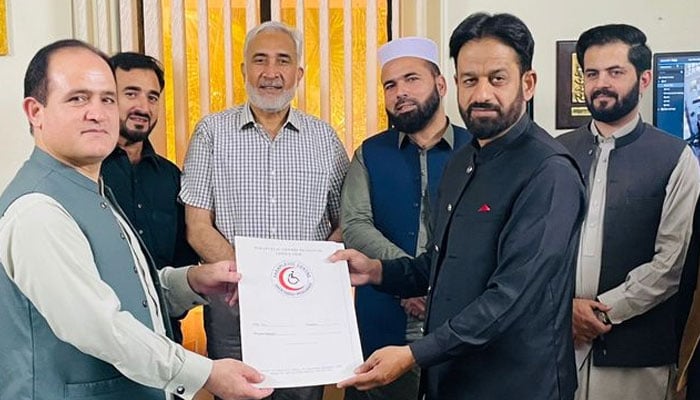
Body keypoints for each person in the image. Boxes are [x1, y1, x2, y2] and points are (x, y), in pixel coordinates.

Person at [0, 39, 273, 400]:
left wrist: (192, 281)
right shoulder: (38, 209)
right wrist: (205, 372)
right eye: (78, 98)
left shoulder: (91, 189)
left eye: (107, 99)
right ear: (35, 111)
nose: (98, 113)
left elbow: (129, 289)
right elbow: (97, 326)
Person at [332, 12, 586, 399]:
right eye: (470, 79)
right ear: (454, 84)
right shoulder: (462, 160)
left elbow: (511, 296)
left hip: (515, 382)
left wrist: (414, 354)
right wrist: (377, 271)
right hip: (452, 373)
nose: (482, 93)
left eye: (497, 79)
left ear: (528, 83)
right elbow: (443, 262)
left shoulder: (549, 172)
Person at [180, 21, 349, 400]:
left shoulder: (325, 139)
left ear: (298, 73)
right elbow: (197, 225)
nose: (270, 73)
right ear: (243, 70)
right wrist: (254, 283)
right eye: (260, 60)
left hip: (305, 309)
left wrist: (308, 279)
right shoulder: (211, 132)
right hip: (233, 304)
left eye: (283, 61)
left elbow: (345, 223)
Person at [557, 24, 700, 400]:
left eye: (615, 72)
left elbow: (672, 263)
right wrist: (563, 308)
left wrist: (602, 313)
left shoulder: (675, 157)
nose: (601, 83)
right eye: (592, 73)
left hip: (637, 357)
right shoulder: (554, 154)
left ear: (645, 78)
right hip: (557, 345)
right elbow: (536, 248)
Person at [340, 36, 470, 400]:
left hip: (458, 317)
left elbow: (483, 235)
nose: (400, 92)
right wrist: (408, 279)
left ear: (440, 84)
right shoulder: (369, 153)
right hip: (382, 313)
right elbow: (355, 225)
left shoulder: (478, 149)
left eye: (412, 79)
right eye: (390, 85)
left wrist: (432, 285)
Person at [101, 51, 199, 344]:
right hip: (104, 339)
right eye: (131, 93)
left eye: (152, 97)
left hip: (166, 338)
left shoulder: (171, 177)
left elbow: (184, 258)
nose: (143, 106)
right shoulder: (84, 171)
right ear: (106, 97)